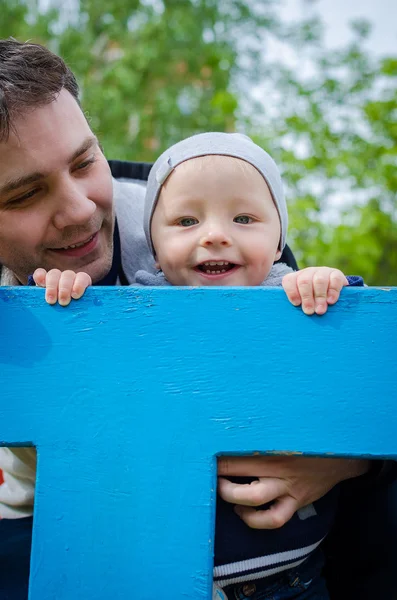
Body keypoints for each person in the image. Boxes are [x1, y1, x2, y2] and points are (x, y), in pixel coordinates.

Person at [0, 38, 393, 600]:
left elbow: (329, 370)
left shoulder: (199, 220)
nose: (83, 210)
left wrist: (347, 463)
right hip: (51, 511)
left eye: (86, 162)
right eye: (25, 195)